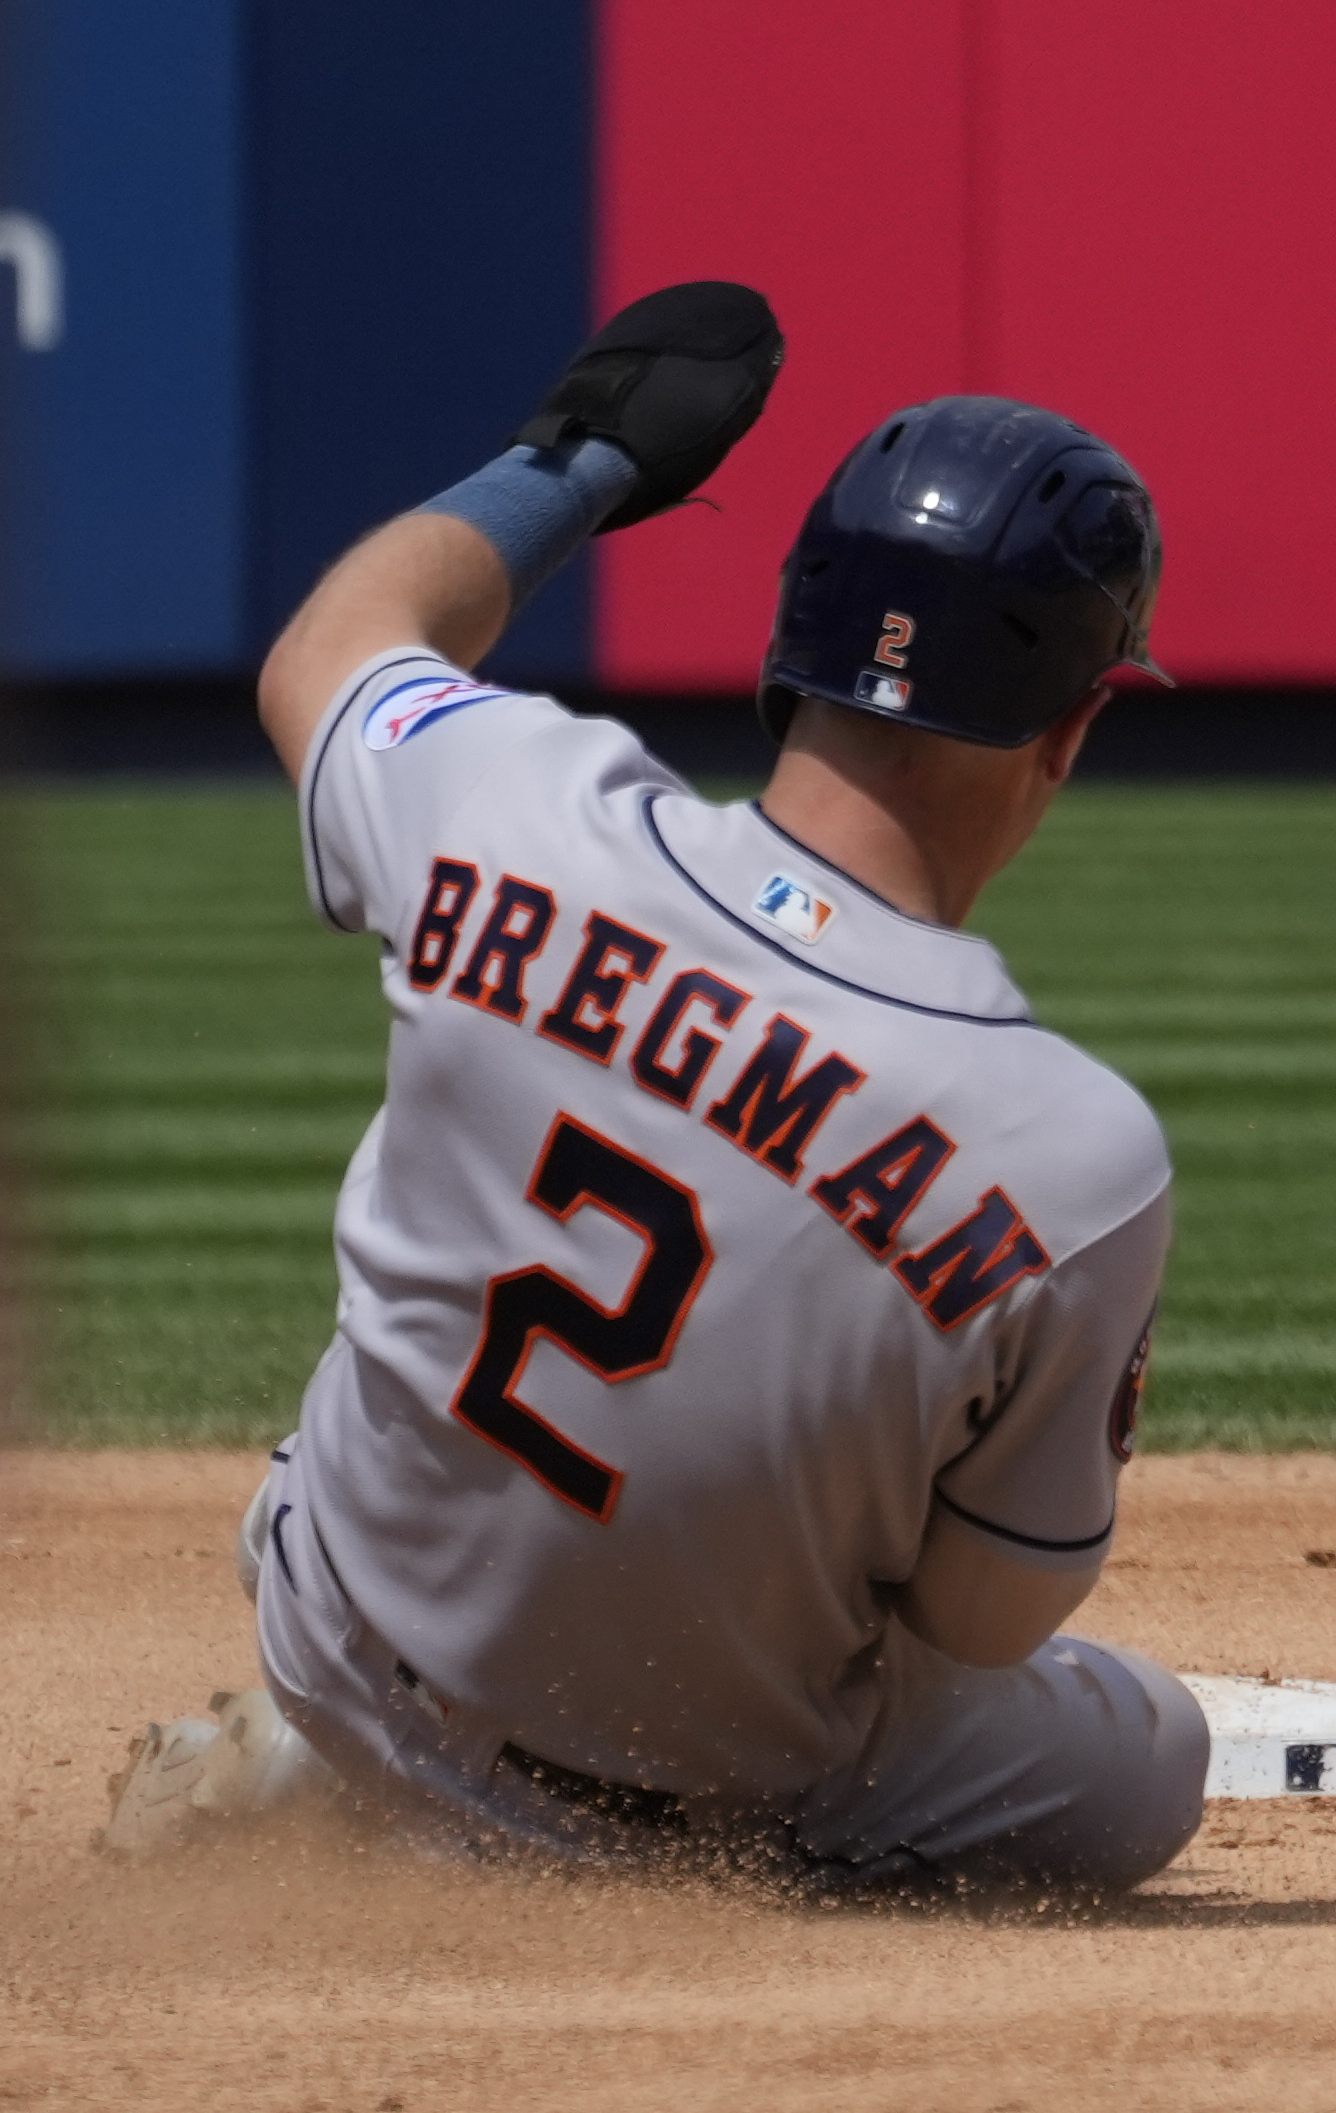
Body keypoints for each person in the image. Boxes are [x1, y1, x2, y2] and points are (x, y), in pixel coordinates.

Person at [96, 289, 1207, 1897]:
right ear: (1071, 725)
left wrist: (589, 454)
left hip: (332, 1643)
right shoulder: (1075, 1153)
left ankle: (311, 1765)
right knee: (1146, 1752)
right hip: (681, 1794)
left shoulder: (509, 807)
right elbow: (980, 1618)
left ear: (793, 636)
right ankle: (707, 1872)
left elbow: (334, 648)